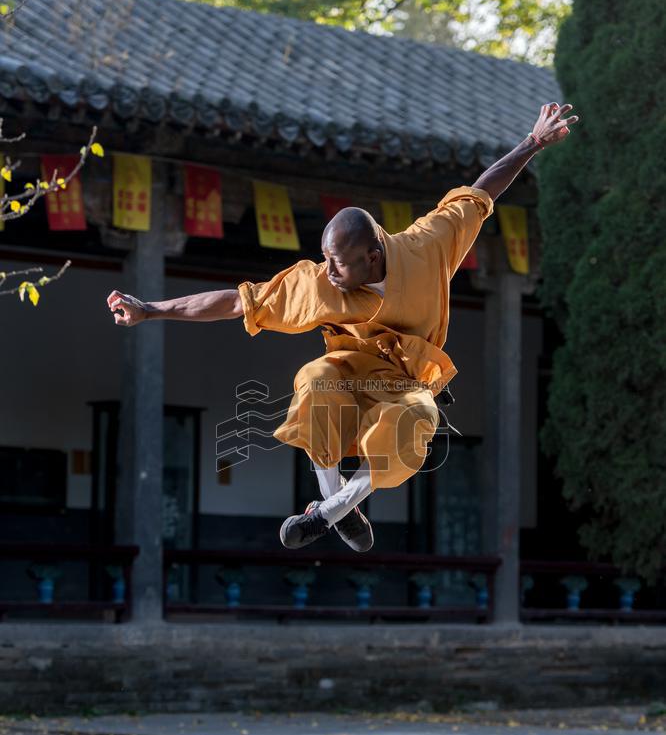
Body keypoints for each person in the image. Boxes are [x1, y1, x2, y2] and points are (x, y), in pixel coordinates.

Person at [108, 101, 578, 553]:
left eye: (339, 262)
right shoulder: (318, 283)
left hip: (408, 383)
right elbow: (236, 302)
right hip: (351, 376)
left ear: (373, 257)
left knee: (415, 418)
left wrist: (532, 143)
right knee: (314, 380)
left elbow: (481, 193)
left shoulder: (427, 245)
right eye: (325, 258)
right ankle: (335, 504)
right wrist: (151, 308)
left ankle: (330, 510)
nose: (328, 270)